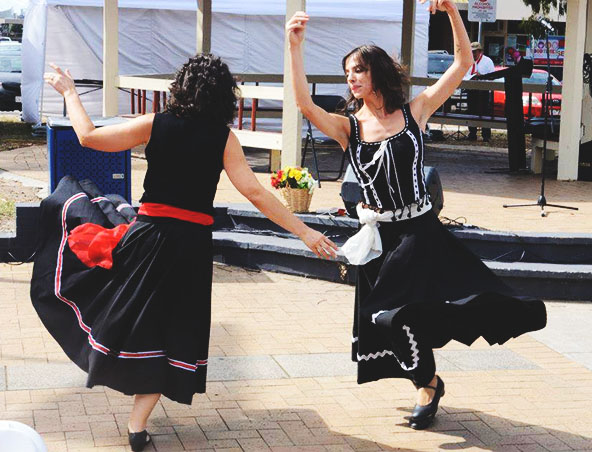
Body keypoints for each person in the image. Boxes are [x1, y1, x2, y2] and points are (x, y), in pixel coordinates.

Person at [33, 55, 338, 451]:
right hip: (191, 248)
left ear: (181, 86)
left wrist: (71, 92)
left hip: (148, 239)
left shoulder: (156, 123)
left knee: (132, 318)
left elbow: (88, 136)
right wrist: (304, 231)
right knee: (175, 330)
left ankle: (134, 413)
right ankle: (137, 424)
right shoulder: (222, 137)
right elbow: (256, 192)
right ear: (222, 95)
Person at [286, 0, 546, 431]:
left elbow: (464, 61)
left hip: (420, 233)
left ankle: (427, 386)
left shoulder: (415, 112)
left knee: (392, 315)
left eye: (359, 70)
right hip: (381, 238)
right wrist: (294, 48)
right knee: (391, 320)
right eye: (348, 71)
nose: (352, 78)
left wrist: (450, 12)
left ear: (378, 74)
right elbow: (304, 105)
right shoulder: (348, 127)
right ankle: (429, 383)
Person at [464, 41, 495, 141]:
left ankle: (486, 135)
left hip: (483, 91)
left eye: (475, 52)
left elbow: (492, 76)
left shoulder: (487, 61)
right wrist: (471, 77)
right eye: (471, 52)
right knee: (471, 111)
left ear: (480, 51)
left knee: (485, 112)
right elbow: (465, 75)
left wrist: (481, 76)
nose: (473, 54)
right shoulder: (468, 61)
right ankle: (472, 133)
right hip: (472, 89)